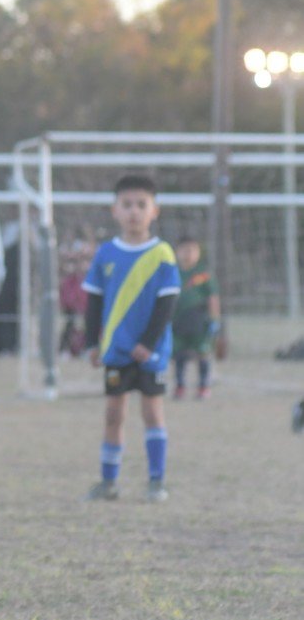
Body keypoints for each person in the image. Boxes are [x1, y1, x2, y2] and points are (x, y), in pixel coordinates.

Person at [83, 173, 180, 503]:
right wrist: (91, 344)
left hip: (150, 354)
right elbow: (93, 301)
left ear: (155, 210)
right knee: (113, 414)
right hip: (116, 352)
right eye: (127, 205)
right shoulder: (106, 253)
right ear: (115, 210)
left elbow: (167, 303)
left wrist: (148, 343)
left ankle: (157, 481)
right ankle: (108, 483)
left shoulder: (163, 254)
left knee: (152, 412)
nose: (134, 211)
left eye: (142, 205)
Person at [169, 235, 222, 400]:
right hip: (177, 320)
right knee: (179, 354)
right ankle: (180, 386)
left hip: (199, 320)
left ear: (198, 253)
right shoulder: (172, 272)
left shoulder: (203, 274)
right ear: (177, 252)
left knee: (203, 353)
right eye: (185, 250)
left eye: (192, 250)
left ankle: (204, 386)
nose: (188, 254)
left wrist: (215, 320)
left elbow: (213, 298)